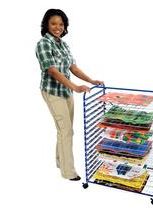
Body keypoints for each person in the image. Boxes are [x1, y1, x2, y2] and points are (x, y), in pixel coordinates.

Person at [35, 9, 103, 181]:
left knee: (64, 130)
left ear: (64, 27)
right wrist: (75, 87)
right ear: (46, 25)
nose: (57, 27)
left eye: (61, 24)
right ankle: (68, 171)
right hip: (52, 91)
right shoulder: (43, 44)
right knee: (66, 130)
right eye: (53, 24)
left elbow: (73, 68)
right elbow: (53, 71)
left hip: (66, 90)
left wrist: (90, 80)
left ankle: (60, 161)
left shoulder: (63, 44)